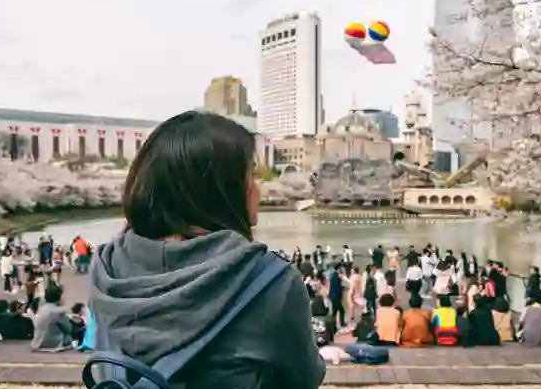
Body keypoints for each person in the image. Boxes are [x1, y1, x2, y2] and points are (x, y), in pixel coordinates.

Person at [88, 111, 325, 389]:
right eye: (251, 176)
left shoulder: (106, 268)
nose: (258, 189)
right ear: (220, 190)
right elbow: (303, 379)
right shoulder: (272, 283)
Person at [32, 285, 74, 352]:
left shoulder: (41, 309)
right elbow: (68, 329)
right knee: (70, 334)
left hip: (38, 342)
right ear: (59, 298)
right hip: (53, 343)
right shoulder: (59, 311)